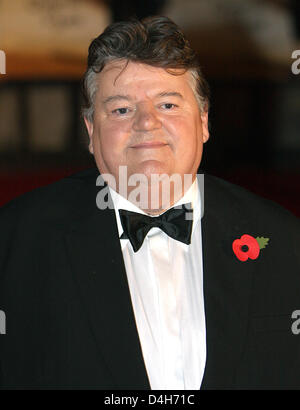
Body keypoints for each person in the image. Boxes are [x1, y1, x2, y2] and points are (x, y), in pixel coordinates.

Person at [0, 16, 299, 390]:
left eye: (169, 105)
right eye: (122, 109)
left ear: (204, 120)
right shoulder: (15, 243)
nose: (147, 124)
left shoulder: (283, 240)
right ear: (91, 131)